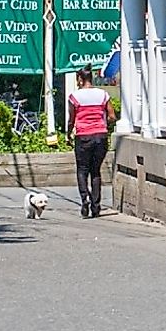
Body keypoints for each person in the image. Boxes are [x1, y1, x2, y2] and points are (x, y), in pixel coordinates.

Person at [67, 65, 116, 217]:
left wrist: (68, 134)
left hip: (83, 136)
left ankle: (84, 199)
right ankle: (96, 205)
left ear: (81, 80)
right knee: (95, 171)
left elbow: (71, 119)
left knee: (82, 170)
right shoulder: (103, 94)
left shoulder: (74, 97)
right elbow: (112, 116)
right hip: (100, 136)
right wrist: (105, 125)